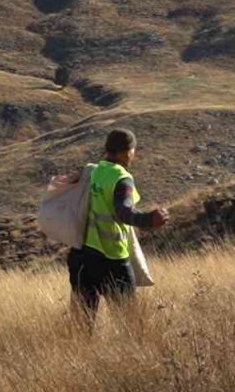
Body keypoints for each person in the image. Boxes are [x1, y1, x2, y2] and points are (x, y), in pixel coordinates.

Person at [67, 128, 169, 321]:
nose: (133, 154)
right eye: (133, 150)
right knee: (129, 323)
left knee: (81, 324)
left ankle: (79, 351)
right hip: (111, 259)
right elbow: (124, 212)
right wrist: (150, 219)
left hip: (81, 256)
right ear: (126, 152)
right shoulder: (121, 178)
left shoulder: (93, 171)